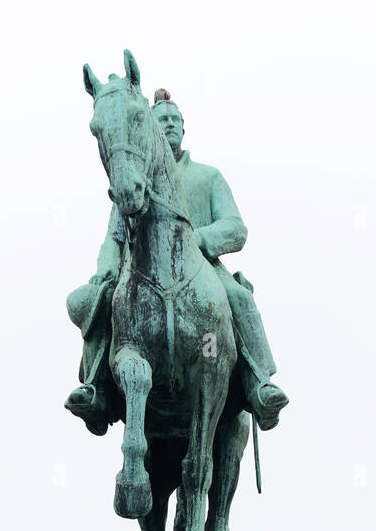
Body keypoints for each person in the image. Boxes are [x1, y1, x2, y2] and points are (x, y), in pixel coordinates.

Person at [66, 88, 288, 436]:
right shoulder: (134, 179)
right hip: (138, 275)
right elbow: (114, 236)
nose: (169, 125)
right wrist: (105, 268)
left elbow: (236, 229)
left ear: (183, 128)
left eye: (174, 120)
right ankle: (97, 389)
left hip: (202, 270)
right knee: (96, 302)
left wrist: (196, 240)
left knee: (240, 298)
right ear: (150, 127)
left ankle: (259, 385)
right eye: (161, 120)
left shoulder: (208, 176)